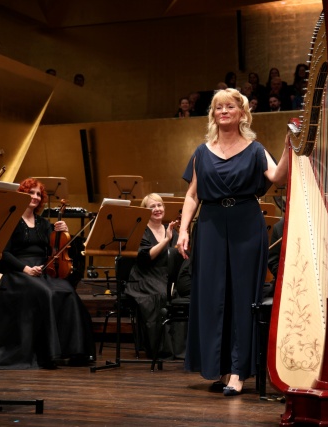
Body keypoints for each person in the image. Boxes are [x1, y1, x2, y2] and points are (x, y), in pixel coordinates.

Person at [176, 88, 289, 396]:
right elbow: (192, 195)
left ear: (242, 113)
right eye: (218, 107)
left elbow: (277, 176)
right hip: (210, 225)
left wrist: (290, 145)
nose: (223, 111)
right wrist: (184, 229)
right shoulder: (202, 151)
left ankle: (238, 371)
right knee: (212, 296)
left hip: (246, 224)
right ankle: (220, 368)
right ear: (213, 114)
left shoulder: (255, 148)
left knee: (241, 297)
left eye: (230, 107)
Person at [0, 178, 95, 370]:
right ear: (21, 194)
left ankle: (74, 351)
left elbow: (55, 248)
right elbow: (3, 253)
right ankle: (48, 353)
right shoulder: (10, 220)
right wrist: (25, 269)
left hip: (43, 269)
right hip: (18, 272)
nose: (35, 197)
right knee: (45, 293)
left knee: (67, 291)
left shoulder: (44, 223)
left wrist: (64, 232)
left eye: (39, 194)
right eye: (31, 193)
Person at [124, 193, 180, 359]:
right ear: (145, 211)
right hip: (143, 277)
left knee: (180, 294)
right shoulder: (141, 231)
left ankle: (181, 349)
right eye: (152, 207)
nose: (157, 209)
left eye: (159, 205)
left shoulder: (171, 230)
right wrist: (165, 240)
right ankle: (161, 349)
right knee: (161, 295)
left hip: (165, 276)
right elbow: (145, 258)